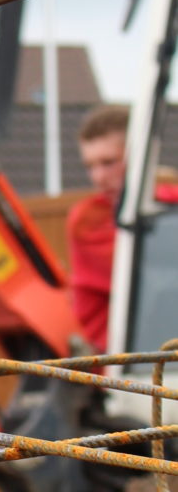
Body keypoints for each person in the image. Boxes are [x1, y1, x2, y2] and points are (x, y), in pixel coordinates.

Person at [66, 103, 178, 350]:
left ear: (138, 157)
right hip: (115, 366)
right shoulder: (89, 220)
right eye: (90, 166)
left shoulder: (167, 202)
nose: (98, 177)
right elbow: (144, 275)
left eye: (108, 162)